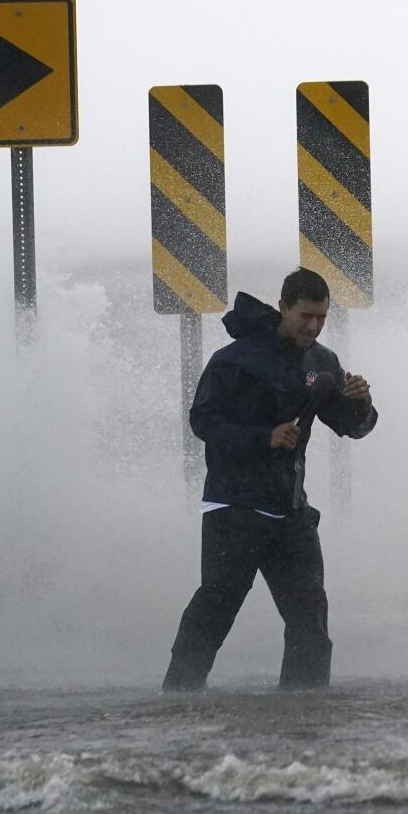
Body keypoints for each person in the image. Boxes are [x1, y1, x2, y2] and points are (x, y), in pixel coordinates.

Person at [162, 268, 377, 692]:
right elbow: (202, 421)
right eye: (305, 316)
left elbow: (351, 427)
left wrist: (362, 403)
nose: (313, 326)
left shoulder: (322, 363)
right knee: (215, 608)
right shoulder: (235, 359)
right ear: (282, 307)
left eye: (321, 317)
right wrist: (265, 437)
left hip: (290, 511)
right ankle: (177, 698)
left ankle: (304, 706)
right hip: (234, 508)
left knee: (310, 619)